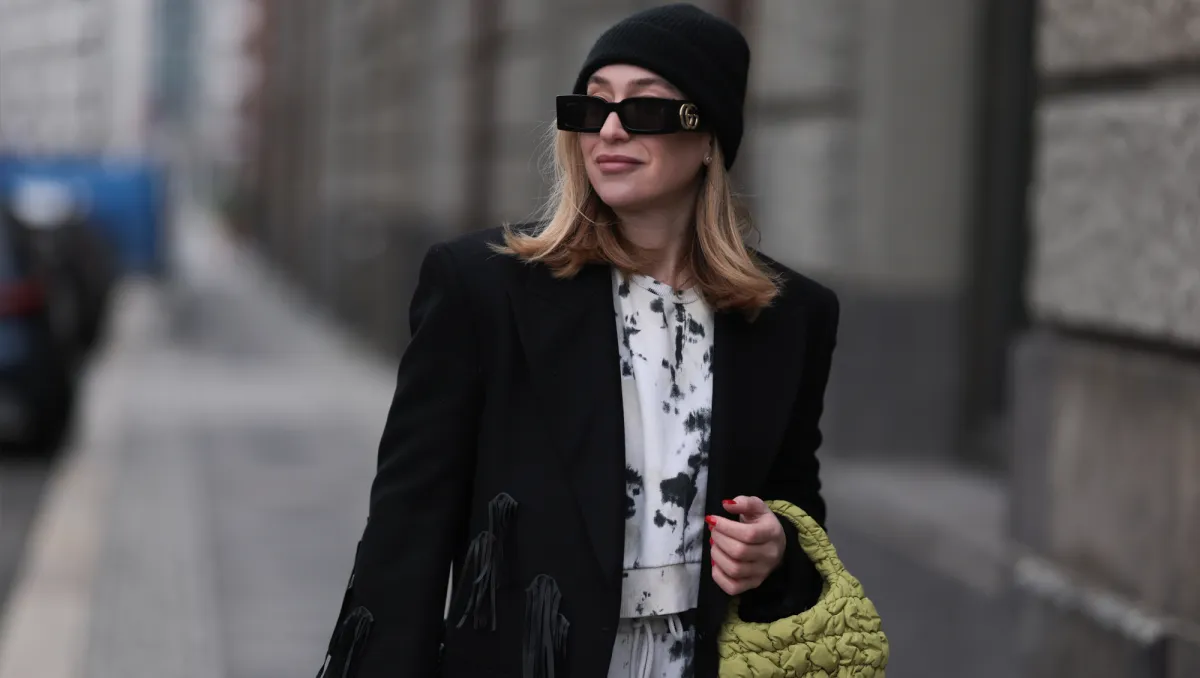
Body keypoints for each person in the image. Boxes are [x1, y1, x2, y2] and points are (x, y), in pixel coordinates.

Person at [315, 4, 840, 678]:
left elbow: (797, 509)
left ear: (709, 136)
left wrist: (776, 549)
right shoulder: (484, 289)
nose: (610, 130)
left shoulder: (788, 317)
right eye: (592, 107)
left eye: (644, 108)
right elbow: (408, 523)